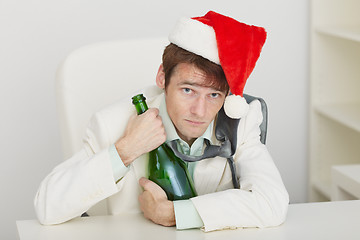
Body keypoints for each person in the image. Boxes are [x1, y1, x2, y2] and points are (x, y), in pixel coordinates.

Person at [34, 11, 289, 232]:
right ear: (162, 78)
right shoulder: (111, 123)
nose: (200, 111)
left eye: (214, 95)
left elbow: (273, 203)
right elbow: (47, 207)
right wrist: (125, 150)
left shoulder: (240, 121)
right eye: (188, 90)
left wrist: (175, 214)